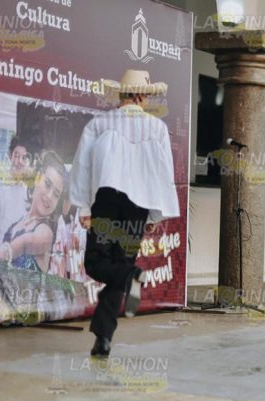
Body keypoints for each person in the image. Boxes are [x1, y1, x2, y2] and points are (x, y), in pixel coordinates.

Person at [70, 69, 179, 357]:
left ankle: (107, 329)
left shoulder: (100, 123)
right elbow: (162, 172)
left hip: (107, 198)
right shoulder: (156, 128)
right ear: (142, 96)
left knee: (96, 263)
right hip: (138, 204)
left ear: (121, 95)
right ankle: (103, 338)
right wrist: (155, 214)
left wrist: (84, 205)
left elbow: (83, 166)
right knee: (122, 263)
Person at [0, 151, 66, 273]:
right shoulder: (20, 221)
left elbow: (23, 244)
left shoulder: (45, 232)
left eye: (56, 194)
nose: (49, 196)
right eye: (47, 184)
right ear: (37, 178)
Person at [0, 138, 32, 261]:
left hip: (20, 260)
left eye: (24, 158)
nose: (19, 161)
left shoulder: (27, 192)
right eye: (16, 155)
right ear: (9, 156)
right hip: (1, 260)